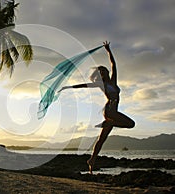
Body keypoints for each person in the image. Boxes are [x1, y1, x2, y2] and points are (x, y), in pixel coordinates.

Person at [58, 41, 135, 174]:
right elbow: (84, 85)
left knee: (101, 139)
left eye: (104, 71)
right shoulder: (101, 85)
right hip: (109, 110)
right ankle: (108, 121)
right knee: (131, 124)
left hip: (112, 111)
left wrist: (108, 50)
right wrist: (68, 87)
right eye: (101, 72)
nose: (104, 73)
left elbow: (113, 64)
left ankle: (91, 161)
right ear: (99, 75)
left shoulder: (113, 81)